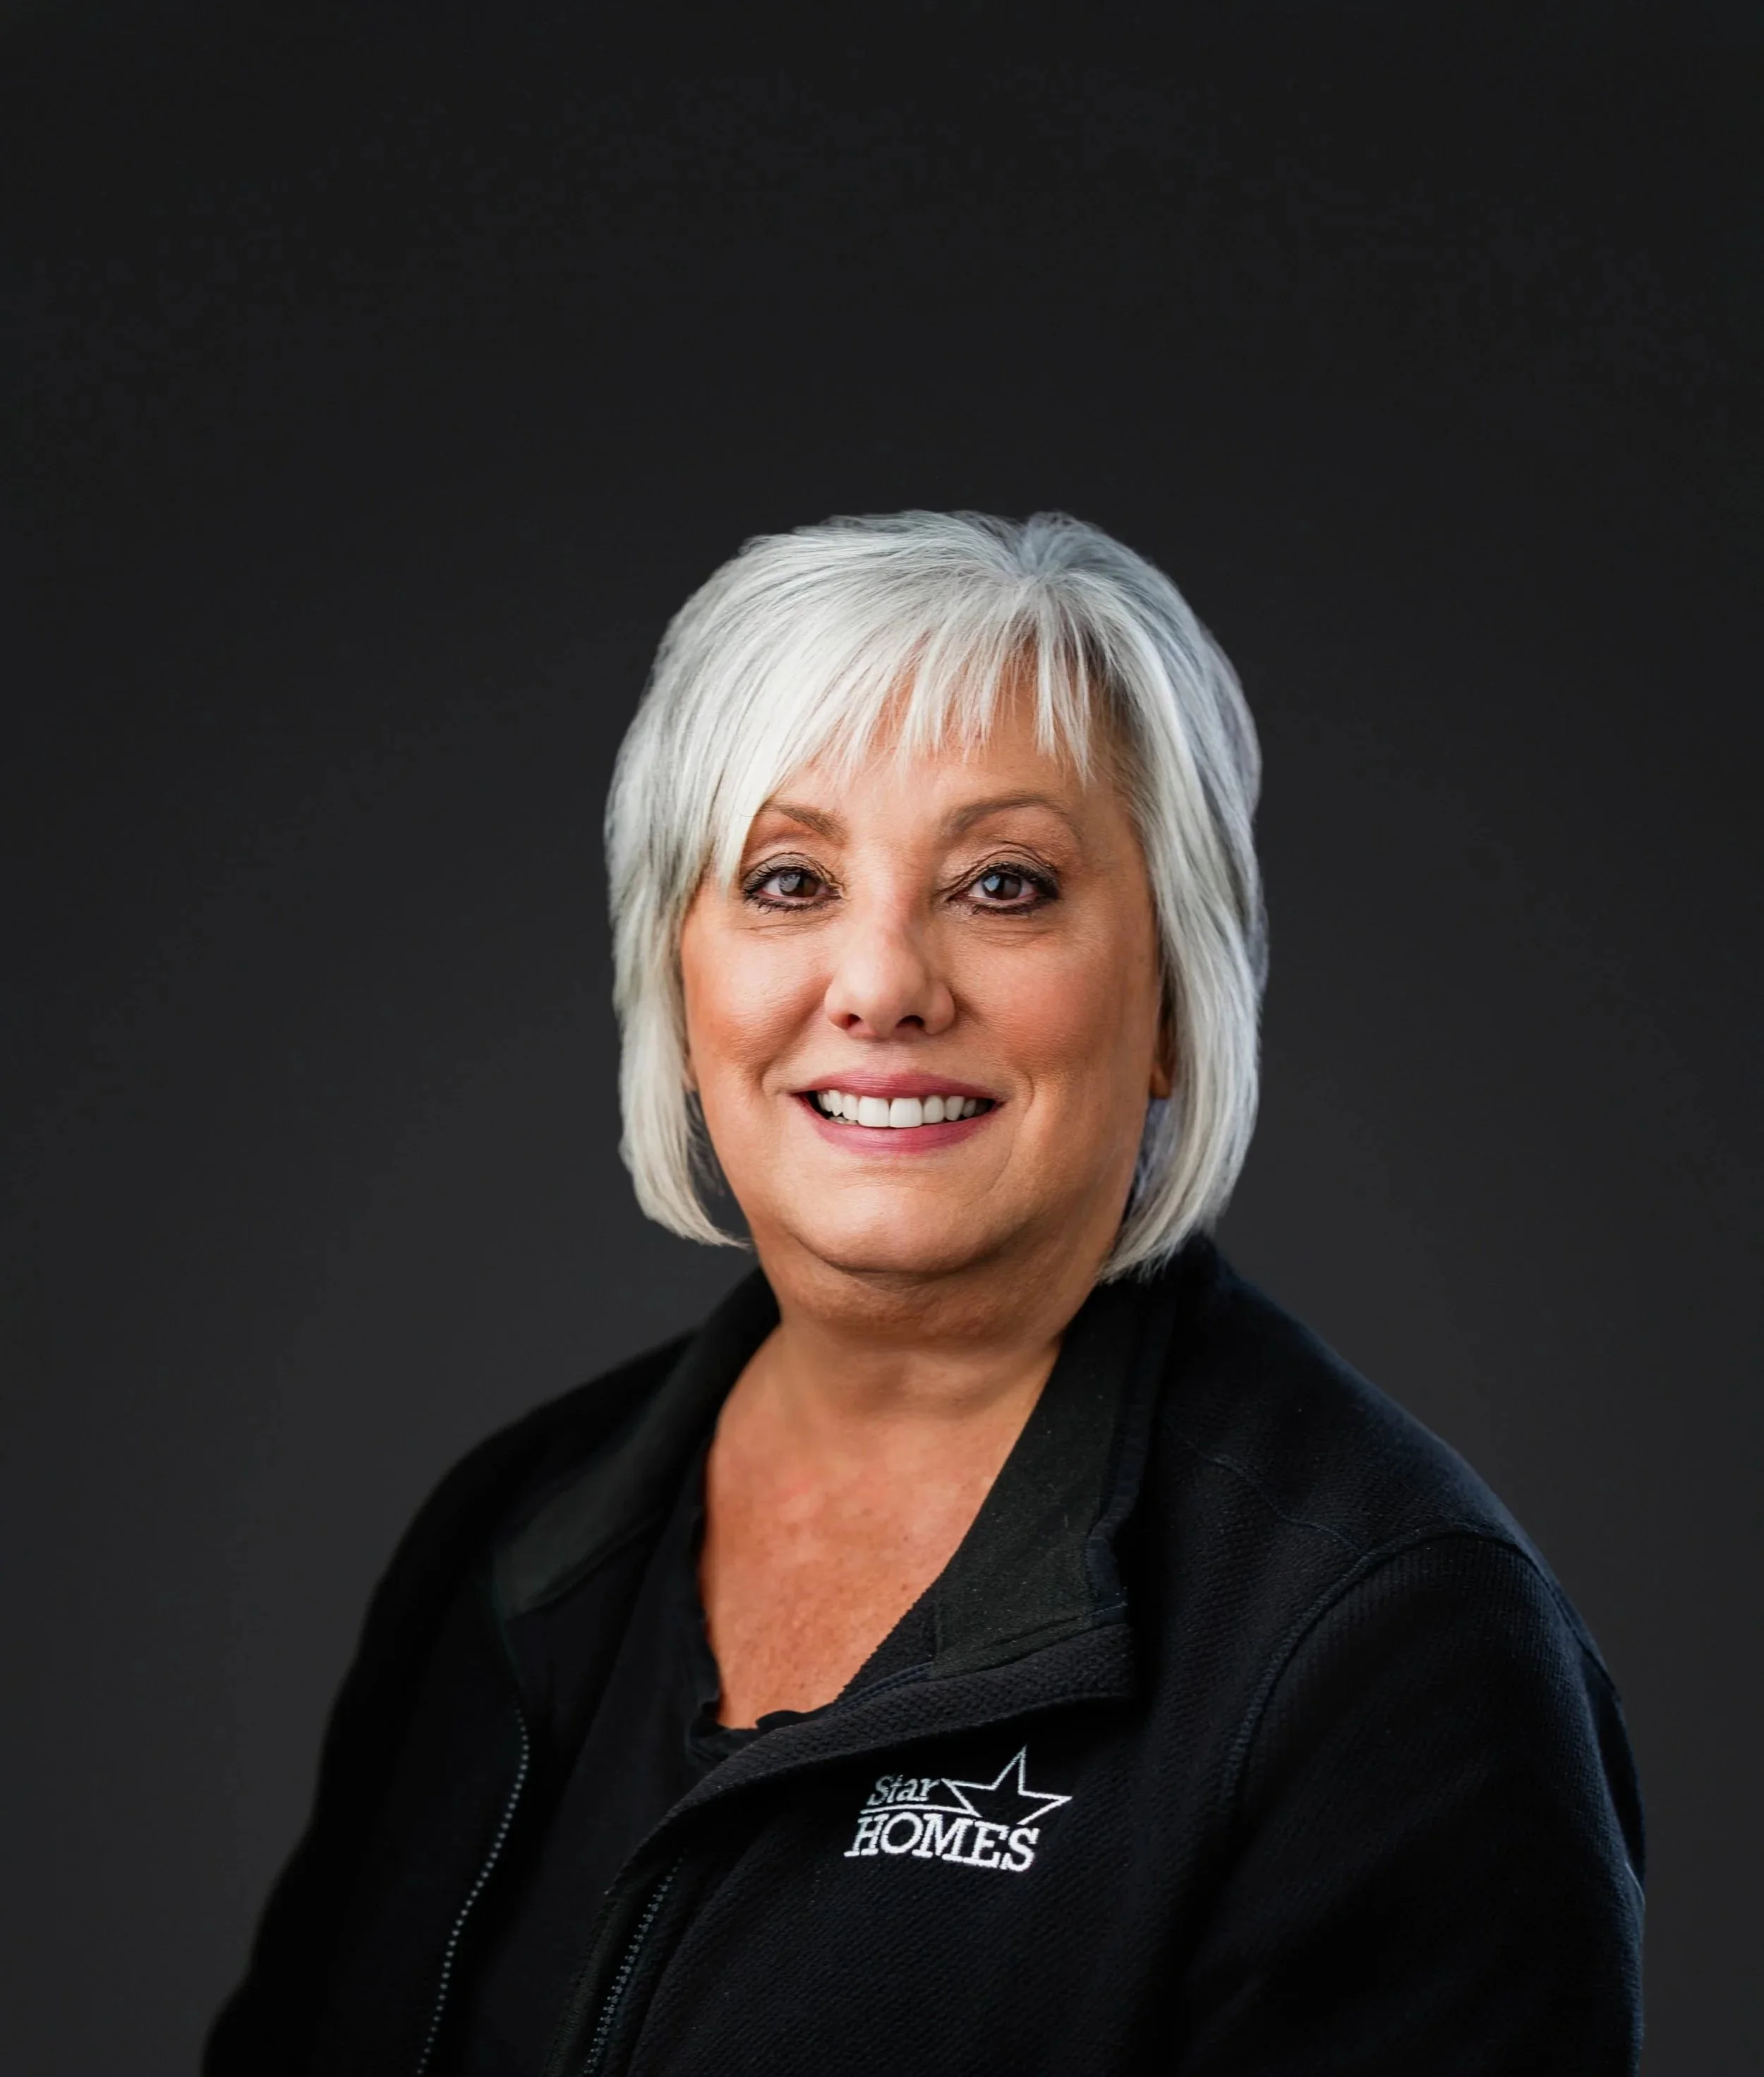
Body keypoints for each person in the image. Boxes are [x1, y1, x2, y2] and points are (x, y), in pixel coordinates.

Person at [206, 511, 1644, 2077]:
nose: (882, 981)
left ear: (1171, 997)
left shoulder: (1391, 1647)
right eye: (787, 878)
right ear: (677, 978)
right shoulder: (506, 1544)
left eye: (1005, 883)